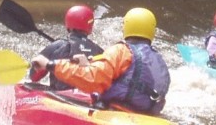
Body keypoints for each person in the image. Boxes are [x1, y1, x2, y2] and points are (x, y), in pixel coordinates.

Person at [29, 7, 171, 115]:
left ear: (126, 27)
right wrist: (87, 65)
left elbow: (93, 80)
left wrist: (49, 65)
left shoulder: (121, 51)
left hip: (117, 111)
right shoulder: (160, 60)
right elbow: (131, 76)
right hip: (146, 114)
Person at [28, 4, 103, 91]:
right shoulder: (99, 50)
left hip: (60, 95)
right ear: (90, 26)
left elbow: (34, 77)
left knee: (29, 86)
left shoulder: (57, 45)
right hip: (87, 96)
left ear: (67, 23)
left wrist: (45, 64)